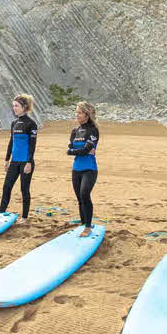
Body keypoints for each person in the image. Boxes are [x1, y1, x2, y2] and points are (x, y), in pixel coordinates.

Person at [0, 94, 37, 222]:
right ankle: (0, 213)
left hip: (25, 162)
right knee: (6, 186)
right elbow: (11, 142)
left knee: (24, 189)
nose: (14, 108)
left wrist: (29, 162)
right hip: (14, 162)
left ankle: (24, 217)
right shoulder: (14, 123)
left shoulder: (31, 124)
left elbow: (32, 145)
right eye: (13, 106)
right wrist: (6, 159)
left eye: (16, 106)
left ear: (24, 107)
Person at [67, 101, 99, 237]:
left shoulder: (93, 130)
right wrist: (81, 150)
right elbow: (69, 150)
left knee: (85, 194)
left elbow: (84, 150)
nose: (77, 115)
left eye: (80, 112)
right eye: (76, 112)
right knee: (80, 198)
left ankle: (87, 227)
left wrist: (78, 150)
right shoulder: (75, 131)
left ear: (87, 114)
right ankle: (83, 223)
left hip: (89, 169)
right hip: (76, 169)